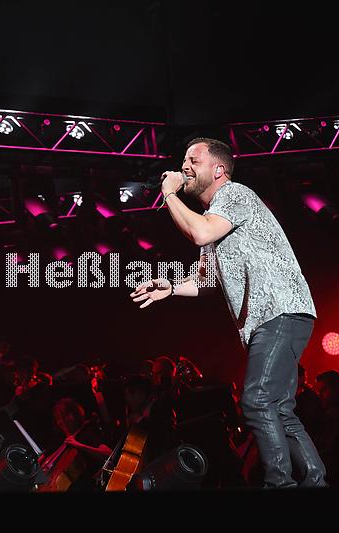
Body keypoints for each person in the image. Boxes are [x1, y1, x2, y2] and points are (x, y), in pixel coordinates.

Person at [130, 137, 327, 488]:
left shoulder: (235, 195)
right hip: (273, 319)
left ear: (219, 169)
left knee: (256, 401)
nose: (184, 167)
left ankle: (279, 485)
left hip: (280, 310)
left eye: (193, 160)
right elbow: (206, 279)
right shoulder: (215, 217)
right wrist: (171, 287)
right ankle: (315, 480)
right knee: (278, 408)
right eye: (184, 160)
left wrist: (169, 194)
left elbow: (199, 233)